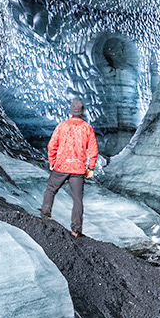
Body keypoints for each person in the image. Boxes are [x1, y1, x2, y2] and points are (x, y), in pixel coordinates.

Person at [40, 98, 98, 237]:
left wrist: (52, 163)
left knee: (51, 189)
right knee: (77, 200)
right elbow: (93, 150)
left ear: (71, 112)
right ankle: (76, 230)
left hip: (61, 166)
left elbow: (52, 146)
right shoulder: (87, 128)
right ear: (82, 113)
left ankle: (45, 215)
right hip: (78, 169)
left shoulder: (62, 126)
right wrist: (90, 168)